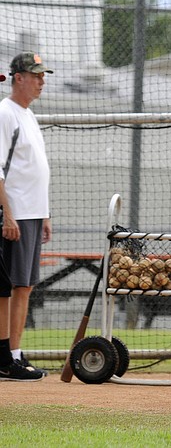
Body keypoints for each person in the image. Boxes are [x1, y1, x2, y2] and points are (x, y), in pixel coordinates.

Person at [0, 51, 53, 381]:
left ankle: (15, 352)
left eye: (43, 75)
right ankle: (7, 356)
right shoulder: (5, 113)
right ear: (18, 77)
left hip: (33, 213)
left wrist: (45, 213)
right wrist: (8, 215)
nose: (41, 81)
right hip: (16, 214)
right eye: (35, 75)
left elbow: (36, 170)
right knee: (11, 286)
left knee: (25, 286)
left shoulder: (28, 115)